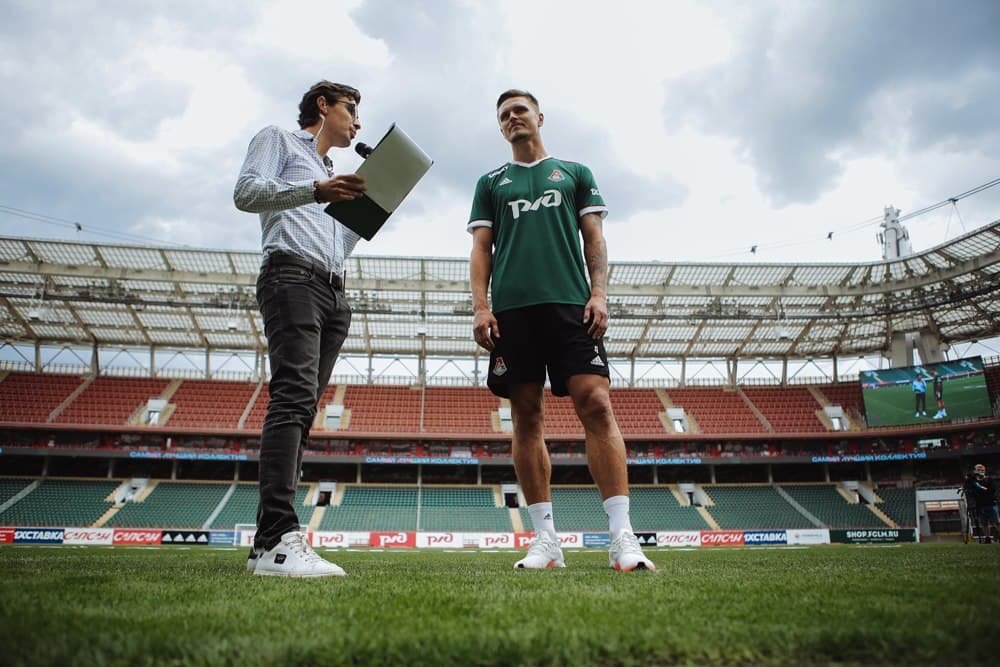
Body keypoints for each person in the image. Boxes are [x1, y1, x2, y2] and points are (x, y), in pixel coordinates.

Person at [467, 89, 655, 572]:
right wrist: (481, 307)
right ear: (500, 127)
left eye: (520, 110)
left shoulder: (575, 173)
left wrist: (599, 294)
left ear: (539, 117)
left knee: (596, 404)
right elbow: (482, 249)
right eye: (504, 115)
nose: (512, 118)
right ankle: (545, 540)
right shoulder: (490, 182)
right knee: (526, 417)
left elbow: (595, 238)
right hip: (513, 312)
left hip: (571, 305)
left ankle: (622, 536)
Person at [234, 80, 367, 577]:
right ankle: (278, 539)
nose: (357, 122)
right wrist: (315, 191)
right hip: (291, 276)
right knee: (291, 401)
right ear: (323, 106)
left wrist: (369, 209)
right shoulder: (279, 140)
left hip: (333, 289)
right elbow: (246, 193)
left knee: (303, 411)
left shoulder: (334, 173)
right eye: (351, 110)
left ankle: (266, 544)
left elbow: (338, 243)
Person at [964, 463, 998, 543]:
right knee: (984, 523)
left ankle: (997, 533)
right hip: (979, 505)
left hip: (990, 504)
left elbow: (991, 490)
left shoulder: (988, 479)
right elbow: (968, 484)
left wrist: (981, 488)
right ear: (975, 471)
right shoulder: (973, 480)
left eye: (982, 470)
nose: (981, 471)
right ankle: (987, 538)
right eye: (978, 470)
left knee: (996, 522)